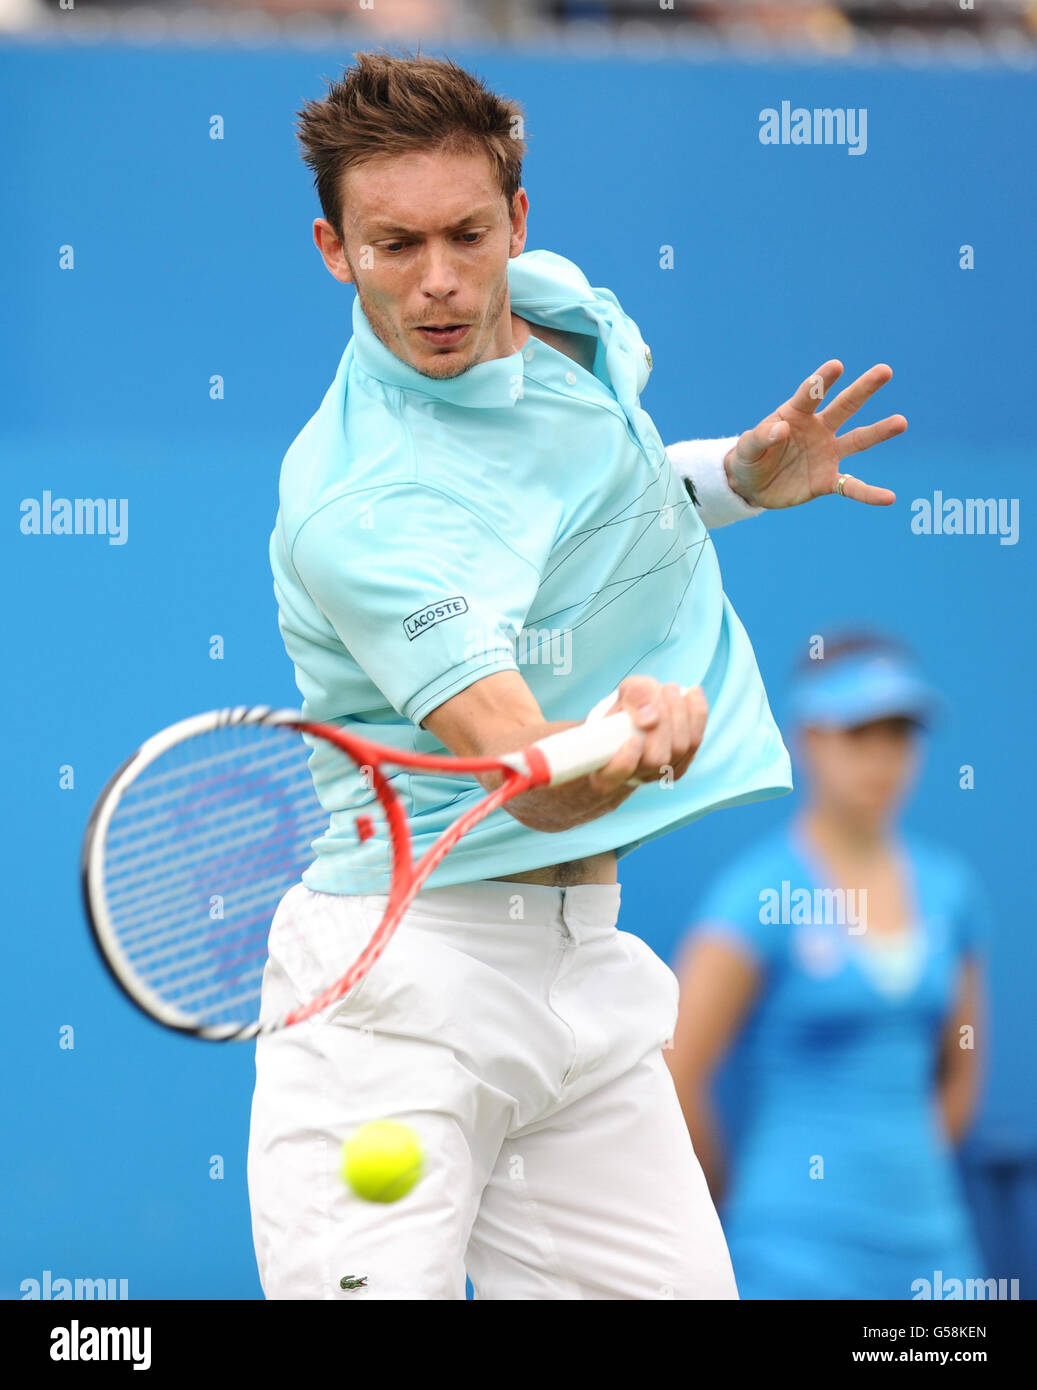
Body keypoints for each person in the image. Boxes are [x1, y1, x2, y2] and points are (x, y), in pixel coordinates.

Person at [247, 51, 907, 1300]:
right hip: (401, 1004)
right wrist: (620, 736)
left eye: (466, 234)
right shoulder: (363, 509)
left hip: (583, 980)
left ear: (518, 224)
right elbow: (521, 769)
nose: (438, 283)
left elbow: (589, 513)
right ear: (333, 250)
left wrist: (733, 479)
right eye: (392, 247)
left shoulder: (553, 311)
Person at [666, 635, 989, 1299]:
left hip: (935, 1251)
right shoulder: (756, 896)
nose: (882, 758)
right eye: (858, 732)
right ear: (808, 737)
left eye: (898, 734)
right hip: (791, 1255)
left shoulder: (949, 891)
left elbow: (962, 1064)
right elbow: (674, 1074)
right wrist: (746, 1199)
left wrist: (906, 1164)